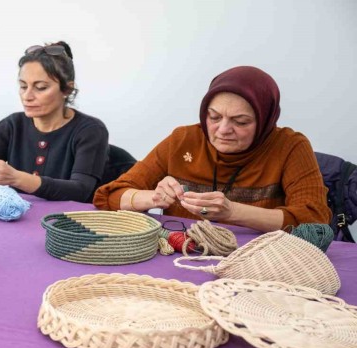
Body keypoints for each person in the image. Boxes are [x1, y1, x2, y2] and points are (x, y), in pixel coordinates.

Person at [93, 66, 331, 232]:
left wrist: (232, 212)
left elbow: (315, 221)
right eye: (214, 116)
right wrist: (154, 198)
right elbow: (109, 196)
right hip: (184, 257)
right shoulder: (184, 140)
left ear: (265, 120)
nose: (223, 129)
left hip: (260, 264)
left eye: (241, 122)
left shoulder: (289, 147)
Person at [0, 41, 112, 203]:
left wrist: (17, 178)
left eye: (40, 87)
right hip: (20, 220)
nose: (27, 96)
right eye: (23, 86)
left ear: (67, 89)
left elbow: (81, 191)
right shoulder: (11, 125)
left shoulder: (90, 131)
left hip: (65, 225)